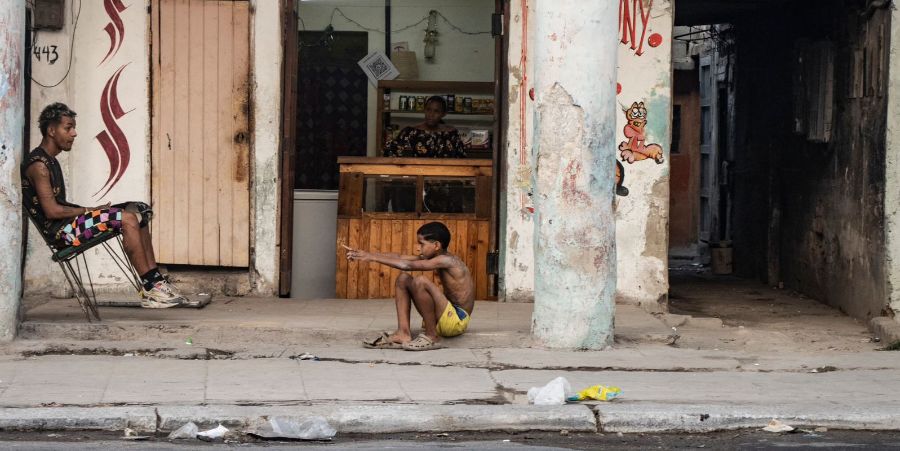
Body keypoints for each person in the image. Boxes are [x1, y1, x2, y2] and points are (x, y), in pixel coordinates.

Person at [21, 102, 188, 308]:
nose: (74, 133)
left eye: (73, 127)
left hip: (69, 224)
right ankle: (151, 289)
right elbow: (52, 211)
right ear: (51, 131)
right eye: (68, 128)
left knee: (138, 210)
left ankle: (155, 281)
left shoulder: (49, 160)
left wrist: (91, 212)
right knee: (126, 219)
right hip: (62, 233)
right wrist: (90, 211)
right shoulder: (39, 165)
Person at [347, 222, 474, 351]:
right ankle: (403, 333)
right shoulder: (434, 256)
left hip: (457, 321)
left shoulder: (447, 260)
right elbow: (400, 257)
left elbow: (406, 265)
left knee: (421, 281)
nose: (419, 248)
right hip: (443, 317)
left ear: (436, 245)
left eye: (422, 244)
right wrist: (365, 254)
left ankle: (432, 336)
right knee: (403, 278)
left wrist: (371, 258)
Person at [383, 96, 467, 158]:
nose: (431, 114)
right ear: (424, 110)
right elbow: (392, 155)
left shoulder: (452, 134)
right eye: (428, 110)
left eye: (436, 111)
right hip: (416, 179)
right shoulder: (410, 132)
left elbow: (462, 160)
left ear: (443, 114)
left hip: (445, 178)